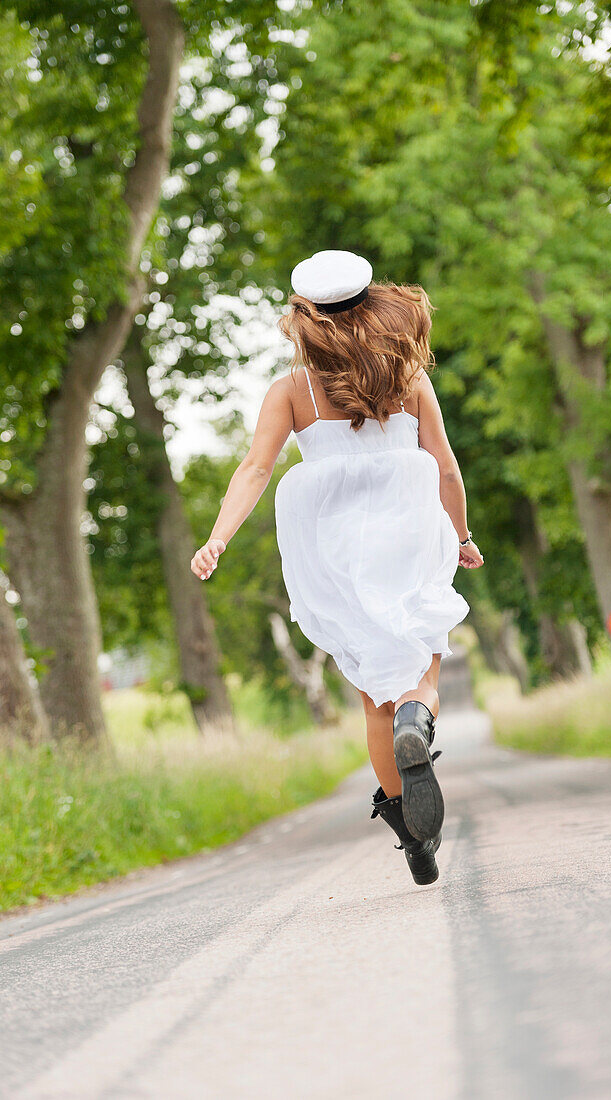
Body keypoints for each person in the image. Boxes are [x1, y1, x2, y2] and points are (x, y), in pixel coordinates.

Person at [191, 250, 483, 885]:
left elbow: (255, 469)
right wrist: (460, 535)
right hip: (407, 529)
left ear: (304, 315)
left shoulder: (291, 392)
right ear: (373, 304)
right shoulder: (408, 379)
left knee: (374, 696)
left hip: (333, 549)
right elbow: (447, 467)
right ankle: (420, 716)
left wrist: (217, 539)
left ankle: (413, 838)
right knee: (420, 662)